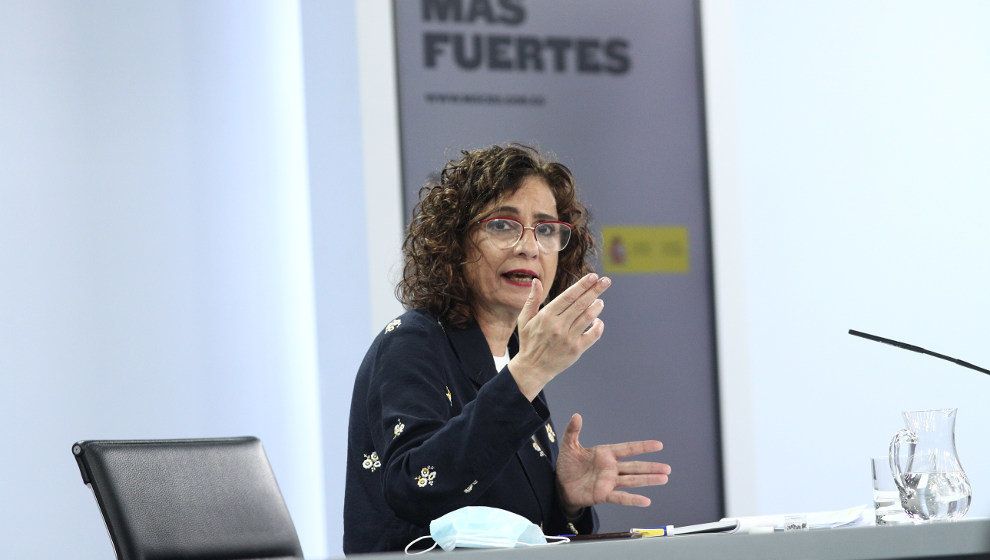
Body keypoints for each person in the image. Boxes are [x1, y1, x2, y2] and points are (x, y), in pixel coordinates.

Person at [343, 144, 671, 554]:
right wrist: (528, 373)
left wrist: (565, 499)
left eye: (547, 229)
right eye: (503, 225)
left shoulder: (513, 354)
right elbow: (417, 487)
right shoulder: (412, 342)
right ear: (455, 242)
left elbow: (519, 531)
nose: (529, 247)